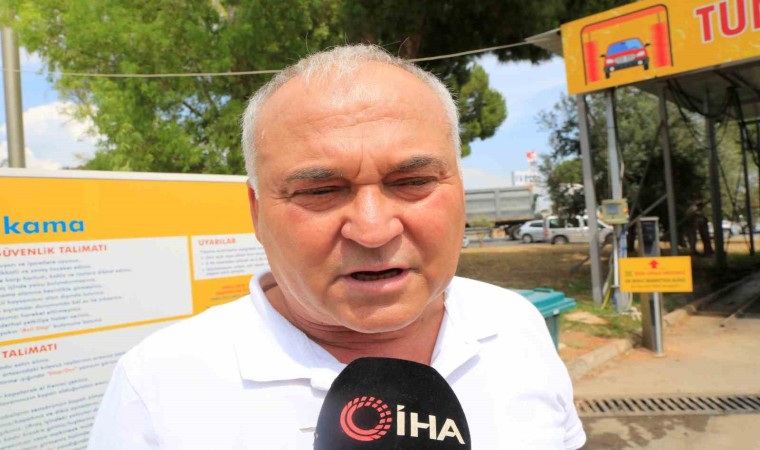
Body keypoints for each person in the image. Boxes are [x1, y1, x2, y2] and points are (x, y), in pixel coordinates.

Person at [88, 45, 586, 449]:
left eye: (413, 181)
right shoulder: (157, 387)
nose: (373, 230)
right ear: (256, 212)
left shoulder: (515, 325)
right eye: (321, 190)